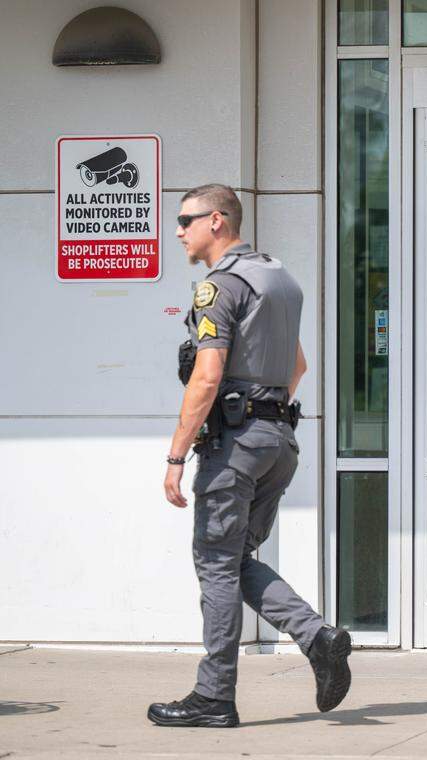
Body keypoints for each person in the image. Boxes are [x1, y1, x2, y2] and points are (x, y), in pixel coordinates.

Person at [148, 184, 351, 728]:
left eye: (185, 220)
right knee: (237, 562)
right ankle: (319, 638)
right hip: (277, 441)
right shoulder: (279, 279)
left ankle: (214, 697)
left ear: (217, 221)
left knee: (215, 566)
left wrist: (175, 456)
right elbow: (298, 366)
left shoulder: (219, 287)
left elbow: (207, 375)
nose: (177, 231)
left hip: (235, 446)